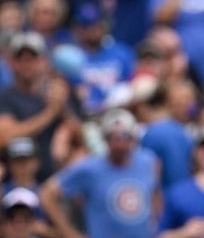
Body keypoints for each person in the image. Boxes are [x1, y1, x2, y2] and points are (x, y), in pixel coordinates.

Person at [40, 108, 160, 238]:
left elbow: (156, 192)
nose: (119, 144)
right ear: (105, 139)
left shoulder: (148, 161)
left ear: (133, 139)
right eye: (113, 138)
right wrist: (69, 233)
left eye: (125, 137)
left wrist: (155, 222)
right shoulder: (90, 168)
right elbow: (47, 194)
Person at [0, 32, 74, 180]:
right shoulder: (5, 97)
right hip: (16, 182)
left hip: (55, 178)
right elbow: (5, 136)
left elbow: (82, 138)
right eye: (20, 59)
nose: (26, 64)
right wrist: (51, 112)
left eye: (32, 58)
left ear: (45, 61)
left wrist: (63, 110)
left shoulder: (60, 91)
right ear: (11, 63)